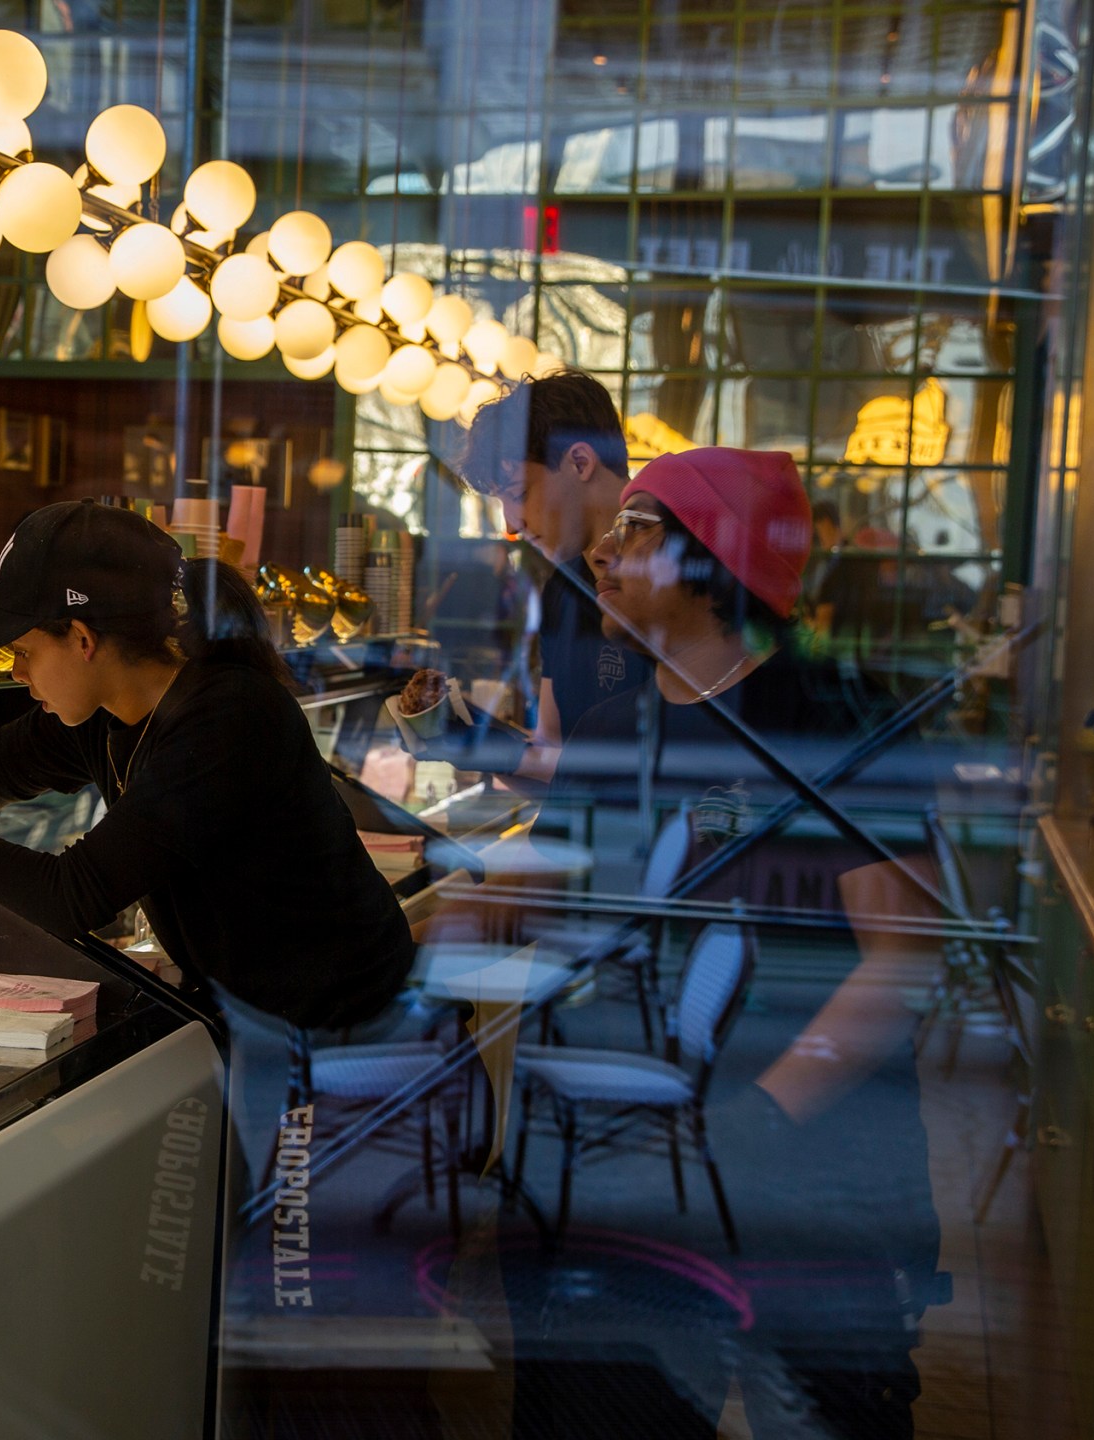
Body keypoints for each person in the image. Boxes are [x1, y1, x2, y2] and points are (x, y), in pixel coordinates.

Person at [0, 501, 419, 1171]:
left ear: (82, 638)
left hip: (359, 1063)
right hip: (280, 1040)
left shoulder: (229, 716)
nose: (15, 673)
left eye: (24, 651)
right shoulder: (107, 712)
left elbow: (70, 896)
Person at [541, 445, 945, 1438]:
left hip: (811, 1198)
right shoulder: (611, 728)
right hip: (637, 1192)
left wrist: (751, 1120)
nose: (601, 550)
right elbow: (550, 907)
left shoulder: (827, 718)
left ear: (709, 559)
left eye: (634, 527)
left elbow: (904, 957)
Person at [412, 370, 649, 779]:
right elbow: (552, 754)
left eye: (519, 494)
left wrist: (495, 751)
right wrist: (476, 744)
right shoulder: (561, 589)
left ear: (580, 462)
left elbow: (672, 763)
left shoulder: (663, 581)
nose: (511, 524)